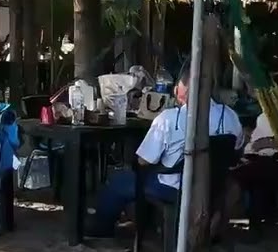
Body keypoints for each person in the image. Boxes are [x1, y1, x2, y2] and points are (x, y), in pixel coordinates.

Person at [85, 65, 244, 239]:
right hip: (214, 185)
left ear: (183, 89)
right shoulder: (230, 115)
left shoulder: (169, 118)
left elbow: (144, 161)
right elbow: (236, 149)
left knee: (119, 181)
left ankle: (103, 228)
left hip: (175, 187)